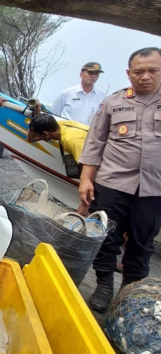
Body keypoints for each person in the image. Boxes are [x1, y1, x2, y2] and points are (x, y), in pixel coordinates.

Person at [79, 47, 161, 313]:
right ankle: (103, 286)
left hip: (154, 189)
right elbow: (94, 144)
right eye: (139, 71)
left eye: (153, 70)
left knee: (143, 243)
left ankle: (129, 294)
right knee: (106, 238)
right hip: (112, 184)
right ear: (129, 73)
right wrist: (85, 180)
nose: (145, 76)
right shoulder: (113, 102)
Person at [26, 113, 90, 214]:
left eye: (37, 136)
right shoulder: (61, 124)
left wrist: (85, 204)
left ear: (46, 134)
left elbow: (89, 172)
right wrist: (35, 119)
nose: (36, 138)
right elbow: (29, 139)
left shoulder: (71, 141)